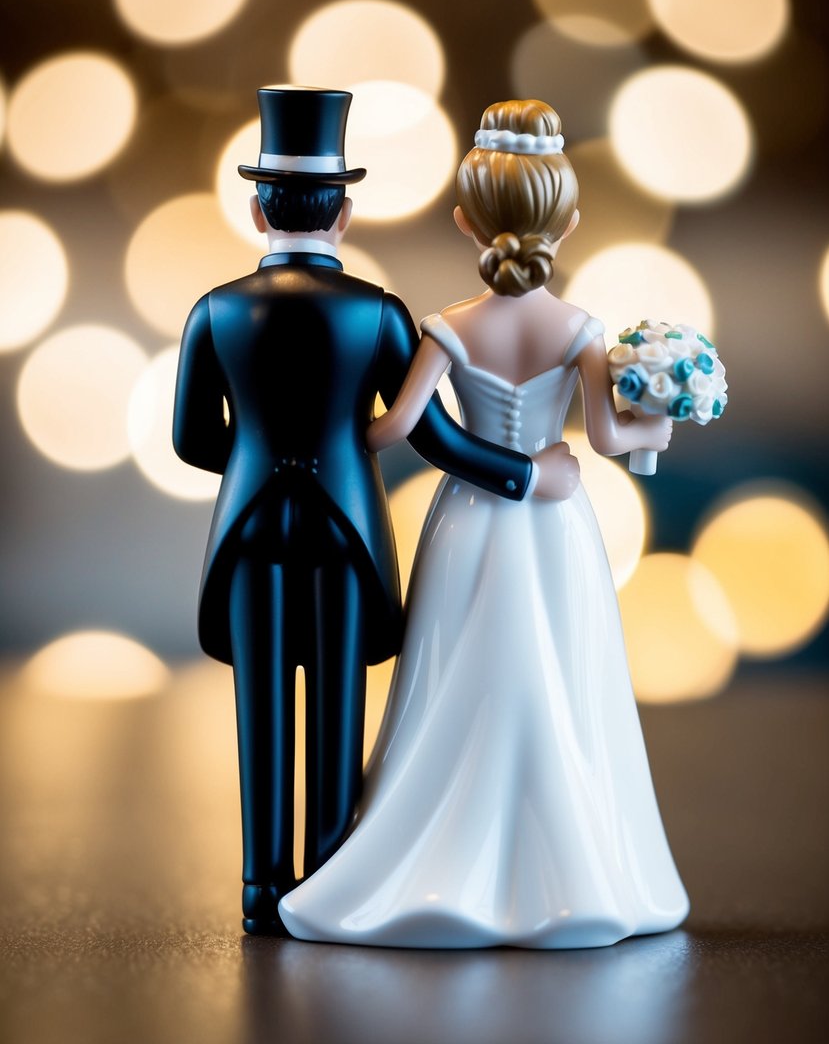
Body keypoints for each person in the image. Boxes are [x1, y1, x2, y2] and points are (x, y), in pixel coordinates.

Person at [279, 98, 690, 949]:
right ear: (568, 222)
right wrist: (666, 418)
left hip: (466, 520)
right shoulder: (577, 328)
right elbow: (610, 437)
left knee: (456, 676)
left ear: (465, 220)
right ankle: (574, 873)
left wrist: (322, 428)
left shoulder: (447, 327)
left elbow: (394, 430)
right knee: (558, 677)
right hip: (556, 521)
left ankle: (435, 858)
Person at [172, 88, 575, 936]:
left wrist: (256, 467)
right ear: (345, 211)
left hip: (248, 533)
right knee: (336, 709)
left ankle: (259, 886)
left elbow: (188, 441)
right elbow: (433, 439)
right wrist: (526, 475)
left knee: (259, 708)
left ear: (255, 206)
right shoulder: (381, 314)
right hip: (345, 531)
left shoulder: (213, 310)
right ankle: (325, 876)